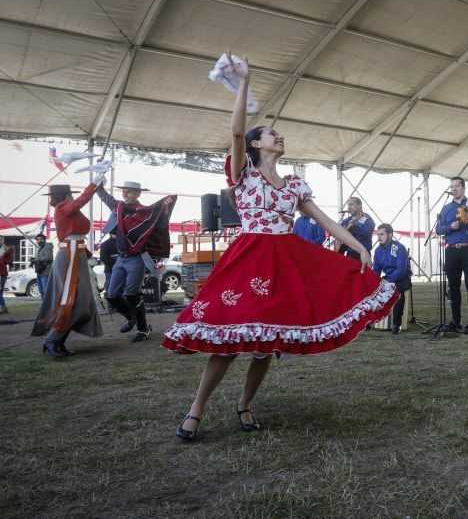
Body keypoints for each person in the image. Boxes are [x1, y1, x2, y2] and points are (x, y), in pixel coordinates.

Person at [162, 55, 398, 441]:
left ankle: (245, 404)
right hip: (249, 259)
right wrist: (242, 85)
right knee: (227, 342)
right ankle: (196, 409)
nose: (278, 136)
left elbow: (326, 222)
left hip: (284, 263)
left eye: (277, 133)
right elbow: (237, 133)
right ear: (257, 144)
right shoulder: (244, 173)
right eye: (270, 133)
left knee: (265, 344)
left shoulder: (294, 185)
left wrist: (358, 246)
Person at [31, 181, 105, 357]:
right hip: (70, 256)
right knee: (70, 299)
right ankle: (52, 340)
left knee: (78, 300)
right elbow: (79, 205)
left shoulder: (68, 209)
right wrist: (93, 185)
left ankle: (57, 341)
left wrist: (86, 254)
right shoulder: (64, 207)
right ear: (66, 195)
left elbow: (76, 235)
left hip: (75, 254)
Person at [96, 180, 176, 343]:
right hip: (121, 258)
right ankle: (132, 318)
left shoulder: (145, 212)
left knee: (132, 294)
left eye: (129, 191)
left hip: (137, 258)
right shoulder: (119, 207)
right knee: (111, 296)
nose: (125, 193)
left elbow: (160, 216)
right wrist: (98, 186)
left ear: (138, 194)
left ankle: (143, 328)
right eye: (124, 191)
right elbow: (106, 198)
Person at [435, 177, 468, 335]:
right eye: (452, 186)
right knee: (453, 287)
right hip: (451, 250)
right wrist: (450, 227)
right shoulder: (446, 208)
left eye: (457, 186)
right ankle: (456, 321)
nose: (454, 189)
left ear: (464, 188)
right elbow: (438, 230)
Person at [372, 223, 411, 334]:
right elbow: (376, 270)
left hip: (402, 278)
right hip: (388, 278)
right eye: (378, 235)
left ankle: (396, 324)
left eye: (382, 234)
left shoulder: (399, 248)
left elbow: (401, 270)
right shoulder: (378, 251)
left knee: (397, 293)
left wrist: (388, 280)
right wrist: (373, 282)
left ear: (390, 234)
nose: (379, 237)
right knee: (371, 290)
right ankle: (370, 321)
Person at [31, 233, 53, 298]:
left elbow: (48, 258)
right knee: (41, 290)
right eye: (37, 240)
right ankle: (44, 306)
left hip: (45, 272)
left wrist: (36, 259)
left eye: (41, 239)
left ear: (44, 240)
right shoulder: (40, 248)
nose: (39, 241)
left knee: (45, 290)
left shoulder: (47, 246)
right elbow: (41, 258)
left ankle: (47, 306)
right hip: (40, 271)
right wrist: (33, 260)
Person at [0, 236, 14, 315]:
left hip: (2, 273)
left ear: (3, 241)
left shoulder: (7, 250)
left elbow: (8, 260)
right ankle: (3, 307)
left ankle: (3, 307)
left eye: (0, 240)